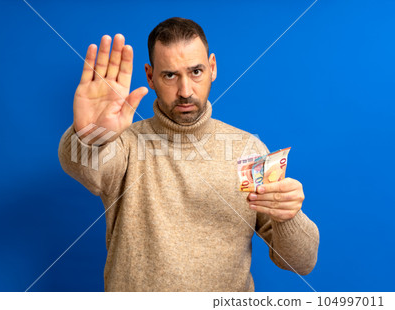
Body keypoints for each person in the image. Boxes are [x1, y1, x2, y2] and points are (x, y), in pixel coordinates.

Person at [58, 17, 319, 292]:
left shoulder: (248, 150)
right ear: (150, 76)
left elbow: (300, 262)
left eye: (196, 71)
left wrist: (289, 216)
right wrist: (89, 135)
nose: (185, 91)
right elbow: (86, 168)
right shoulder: (123, 144)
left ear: (213, 67)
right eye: (170, 75)